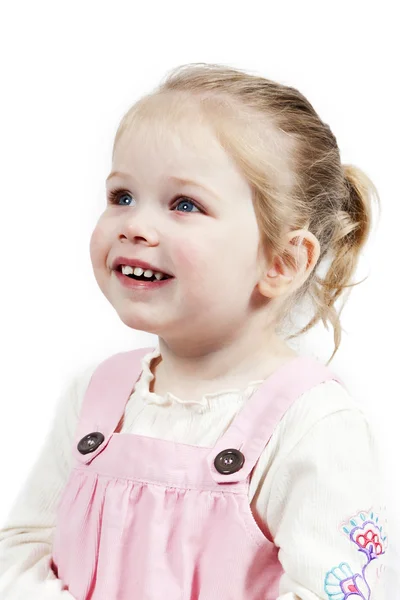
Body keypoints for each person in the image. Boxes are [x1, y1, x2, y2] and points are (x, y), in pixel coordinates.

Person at [0, 63, 387, 600]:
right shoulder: (98, 399)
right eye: (122, 196)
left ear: (281, 261)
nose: (133, 224)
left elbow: (337, 590)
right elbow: (22, 547)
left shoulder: (312, 423)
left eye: (185, 204)